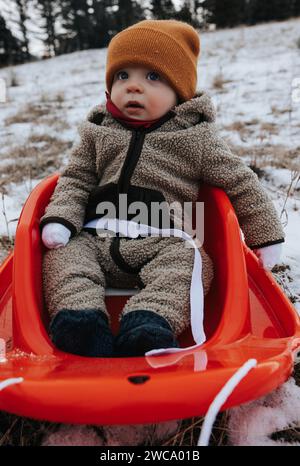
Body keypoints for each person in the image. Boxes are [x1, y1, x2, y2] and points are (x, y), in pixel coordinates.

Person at [40, 20, 284, 358]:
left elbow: (241, 182)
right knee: (62, 256)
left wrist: (266, 236)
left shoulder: (196, 139)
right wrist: (62, 220)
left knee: (194, 263)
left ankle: (149, 323)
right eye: (122, 76)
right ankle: (80, 321)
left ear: (179, 90)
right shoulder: (98, 131)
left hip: (165, 239)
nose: (134, 87)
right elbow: (76, 179)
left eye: (152, 77)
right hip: (96, 236)